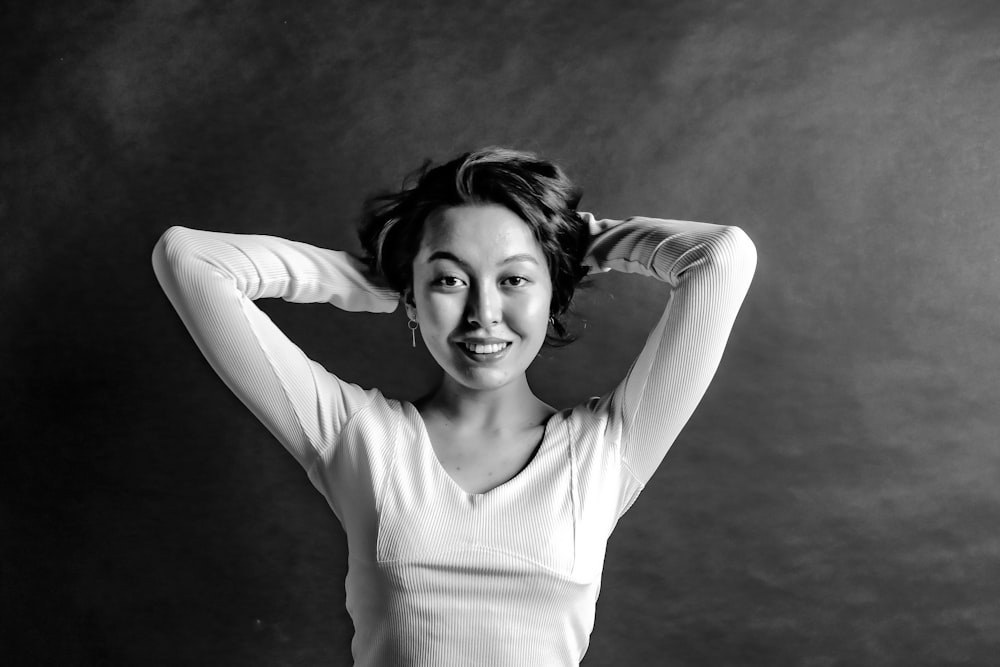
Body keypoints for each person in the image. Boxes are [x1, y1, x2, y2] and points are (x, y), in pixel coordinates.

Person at [152, 147, 757, 666]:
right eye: (450, 281)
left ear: (555, 295)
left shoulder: (606, 451)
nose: (483, 314)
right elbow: (190, 259)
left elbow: (721, 257)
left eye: (515, 280)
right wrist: (388, 278)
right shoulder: (359, 438)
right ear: (411, 299)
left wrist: (568, 239)